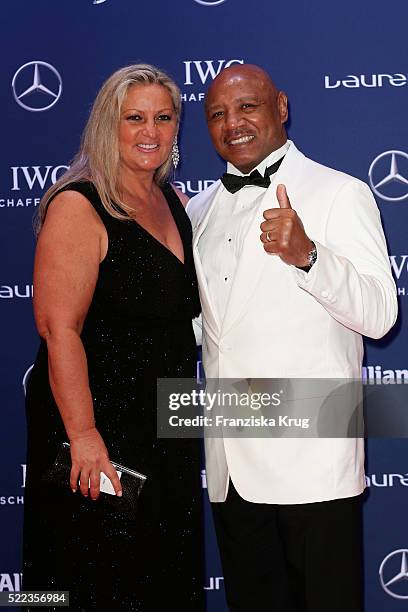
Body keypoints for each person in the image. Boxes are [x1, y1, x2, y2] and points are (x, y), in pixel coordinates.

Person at [187, 64, 397, 612]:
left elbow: (380, 314)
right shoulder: (197, 211)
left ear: (281, 107)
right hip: (232, 468)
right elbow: (211, 328)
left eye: (247, 107)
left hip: (313, 462)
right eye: (216, 114)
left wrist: (308, 256)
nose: (232, 123)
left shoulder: (338, 193)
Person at [22, 64, 204, 611]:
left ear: (176, 128)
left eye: (163, 118)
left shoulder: (174, 203)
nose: (150, 131)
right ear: (109, 125)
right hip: (97, 431)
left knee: (160, 576)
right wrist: (82, 434)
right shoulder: (80, 204)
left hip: (165, 428)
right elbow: (59, 329)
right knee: (93, 577)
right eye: (134, 118)